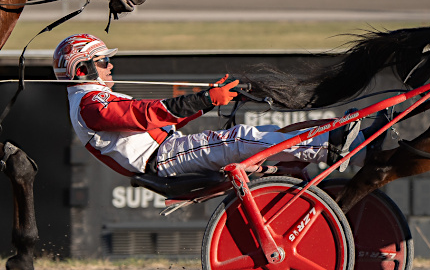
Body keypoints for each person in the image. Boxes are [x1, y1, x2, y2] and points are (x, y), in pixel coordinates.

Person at [55, 34, 364, 178]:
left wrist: (208, 101)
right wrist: (204, 99)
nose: (111, 66)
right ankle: (329, 146)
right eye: (104, 61)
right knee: (238, 138)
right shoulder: (90, 103)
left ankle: (335, 138)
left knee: (270, 132)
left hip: (166, 151)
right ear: (82, 69)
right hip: (162, 159)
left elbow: (158, 121)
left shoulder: (91, 100)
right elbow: (145, 116)